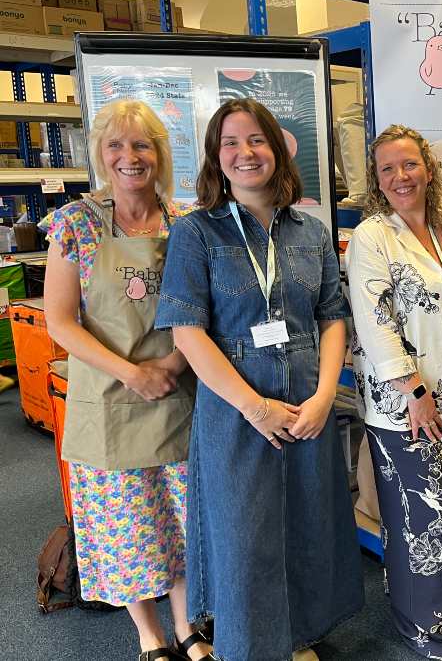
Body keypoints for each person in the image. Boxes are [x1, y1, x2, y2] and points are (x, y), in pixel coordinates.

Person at [154, 98, 362, 661]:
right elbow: (186, 332)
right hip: (235, 407)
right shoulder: (198, 233)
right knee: (243, 536)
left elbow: (332, 316)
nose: (245, 153)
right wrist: (254, 407)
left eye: (256, 140)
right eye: (230, 143)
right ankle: (246, 648)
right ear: (216, 159)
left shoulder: (312, 232)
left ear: (276, 148)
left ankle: (294, 639)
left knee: (306, 523)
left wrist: (324, 396)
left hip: (308, 402)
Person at [43, 100, 213, 661]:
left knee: (185, 523)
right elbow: (61, 322)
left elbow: (207, 310)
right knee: (131, 528)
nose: (129, 157)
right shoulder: (75, 224)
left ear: (160, 155)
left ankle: (189, 629)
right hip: (111, 399)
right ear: (100, 155)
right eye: (116, 146)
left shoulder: (187, 223)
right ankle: (150, 635)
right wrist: (131, 373)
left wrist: (171, 367)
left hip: (177, 394)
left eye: (142, 145)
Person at [348, 124, 442, 660]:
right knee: (419, 513)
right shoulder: (372, 236)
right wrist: (414, 387)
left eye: (410, 165)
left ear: (428, 169)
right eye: (388, 169)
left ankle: (440, 609)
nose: (401, 177)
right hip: (405, 404)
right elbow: (374, 319)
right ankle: (421, 625)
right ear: (378, 182)